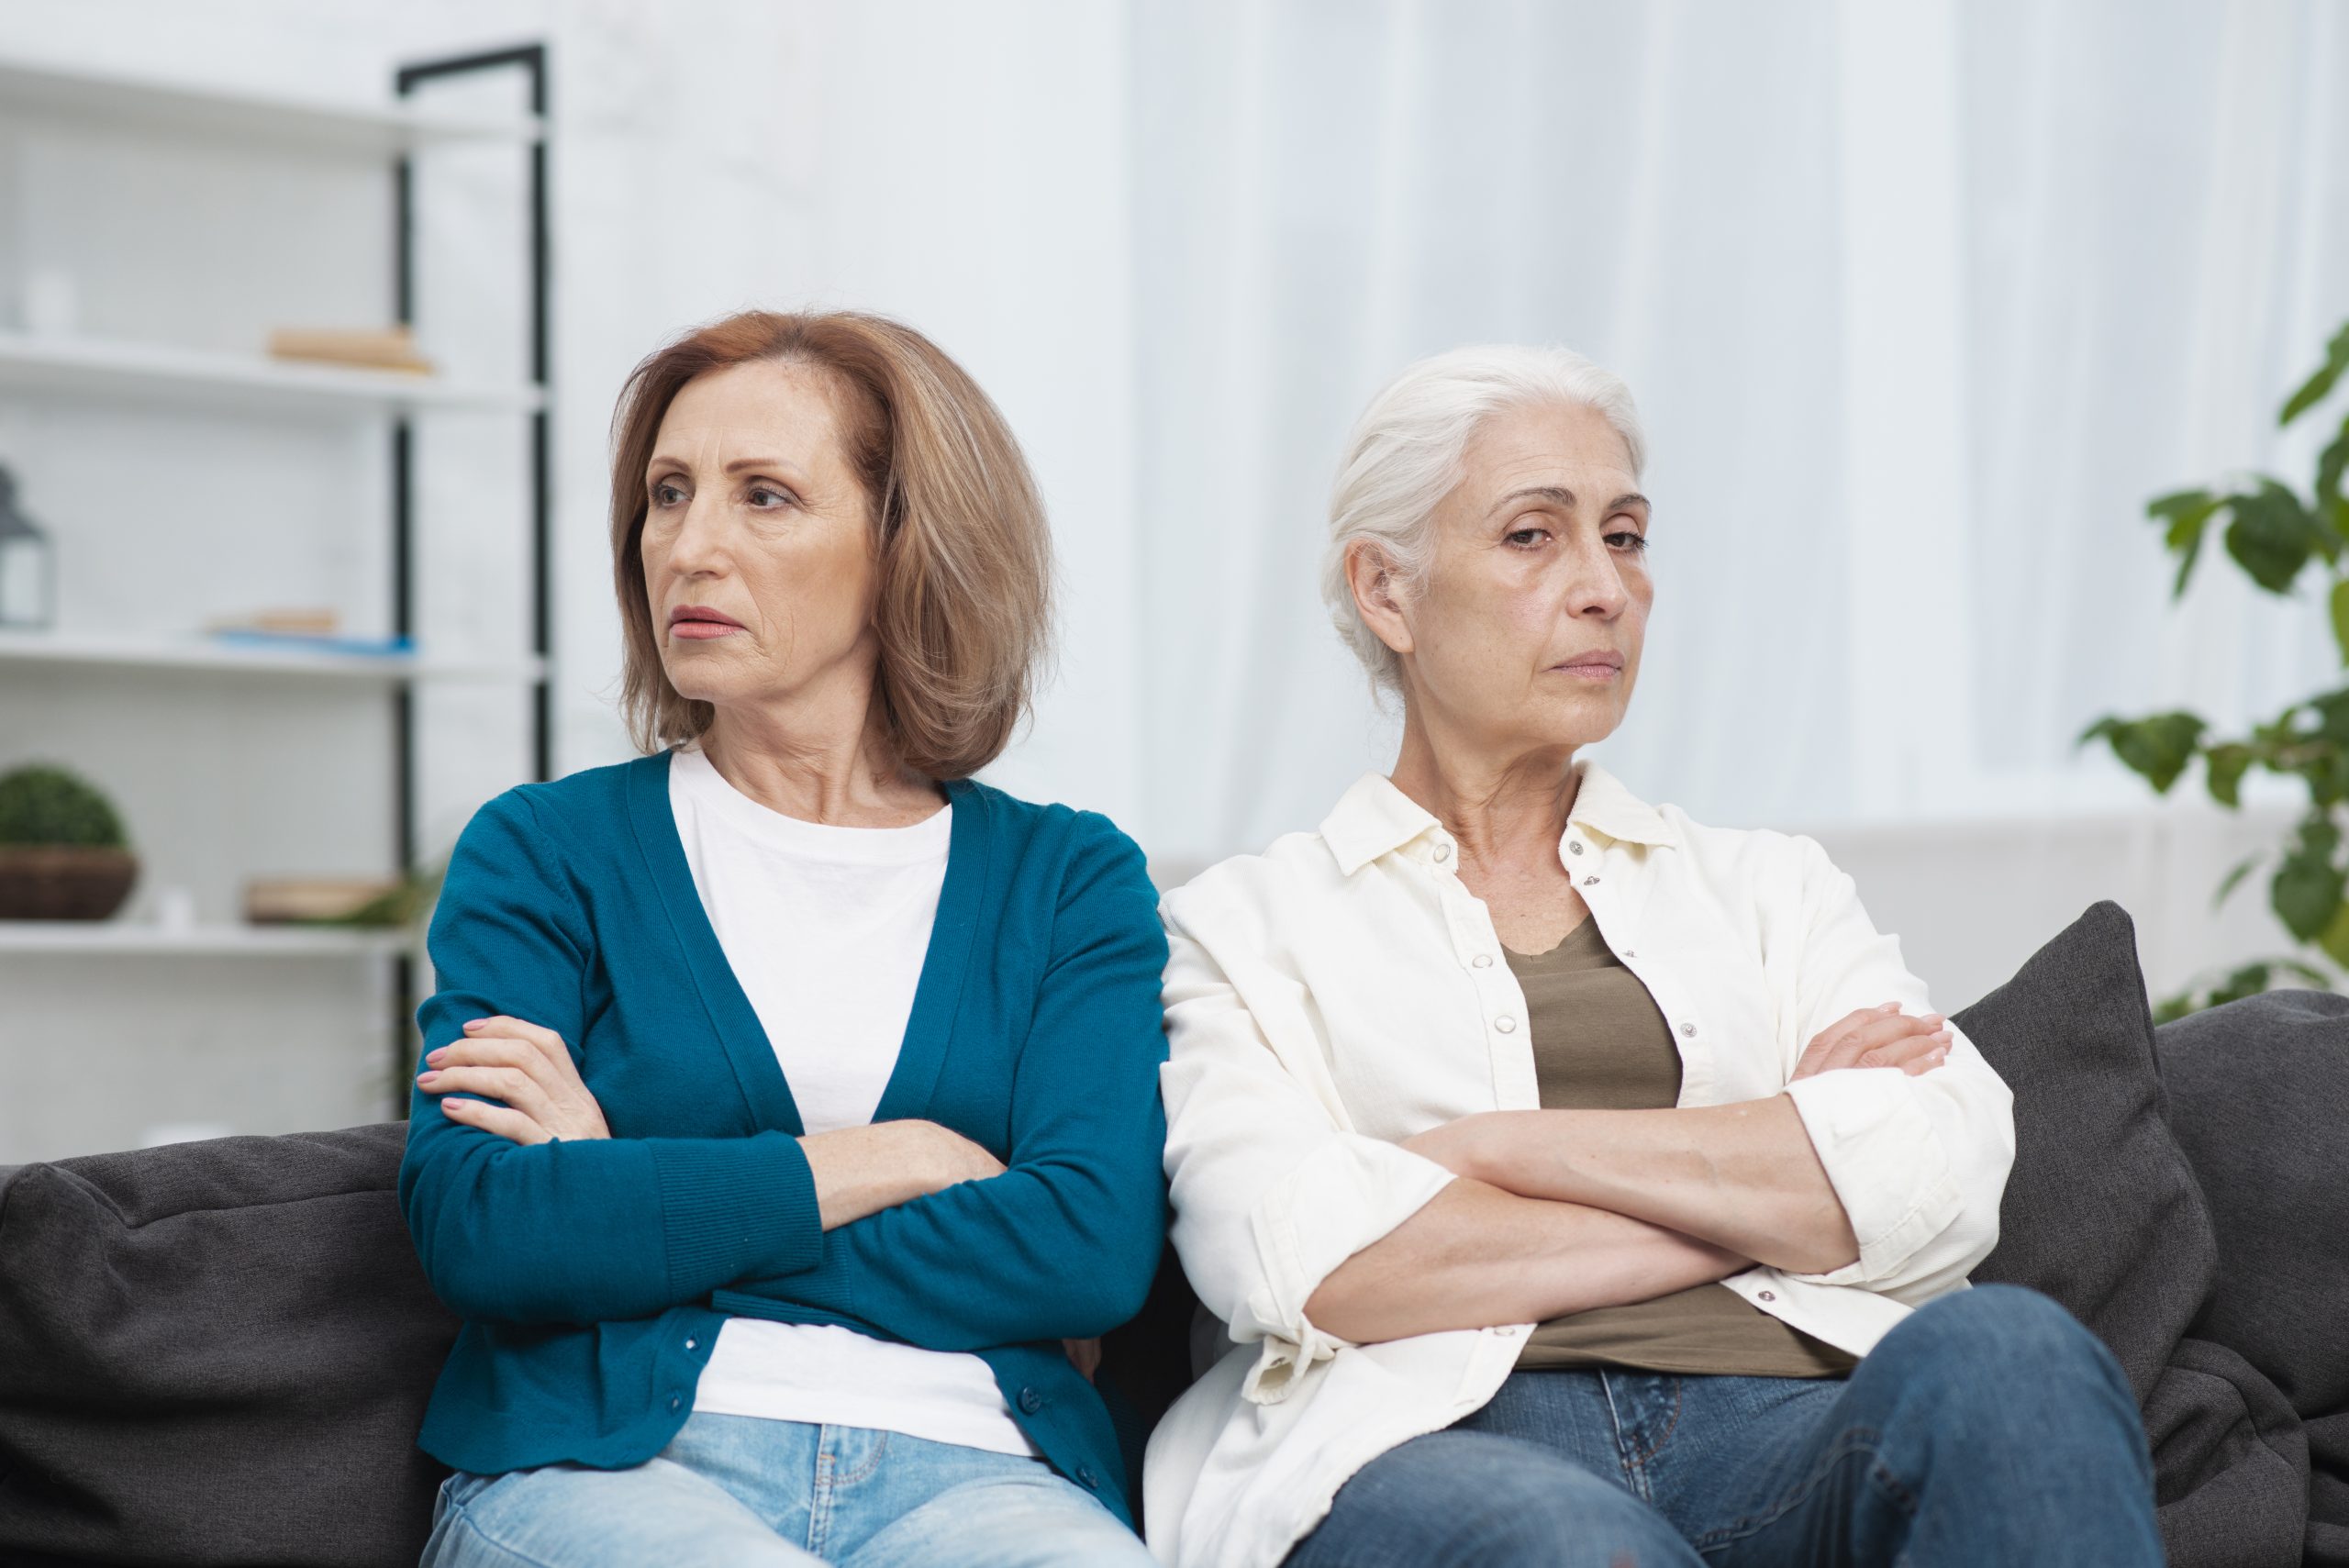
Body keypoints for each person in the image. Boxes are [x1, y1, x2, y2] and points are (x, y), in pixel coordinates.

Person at [1142, 344, 2165, 1568]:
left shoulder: (1767, 885)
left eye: (1624, 537)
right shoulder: (1242, 926)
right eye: (1533, 536)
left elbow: (1939, 1167)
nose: (1604, 588)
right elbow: (1304, 1258)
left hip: (1788, 1416)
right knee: (1570, 1542)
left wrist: (1490, 1154)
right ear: (1387, 592)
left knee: (2019, 1355)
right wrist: (1776, 1176)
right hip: (1434, 1437)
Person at [398, 310, 1166, 1568]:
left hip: (981, 1477)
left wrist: (636, 1193)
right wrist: (892, 1158)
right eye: (667, 494)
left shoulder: (1067, 880)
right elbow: (486, 1223)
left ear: (906, 544)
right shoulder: (546, 850)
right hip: (610, 1466)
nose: (689, 547)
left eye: (765, 497)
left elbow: (1085, 1248)